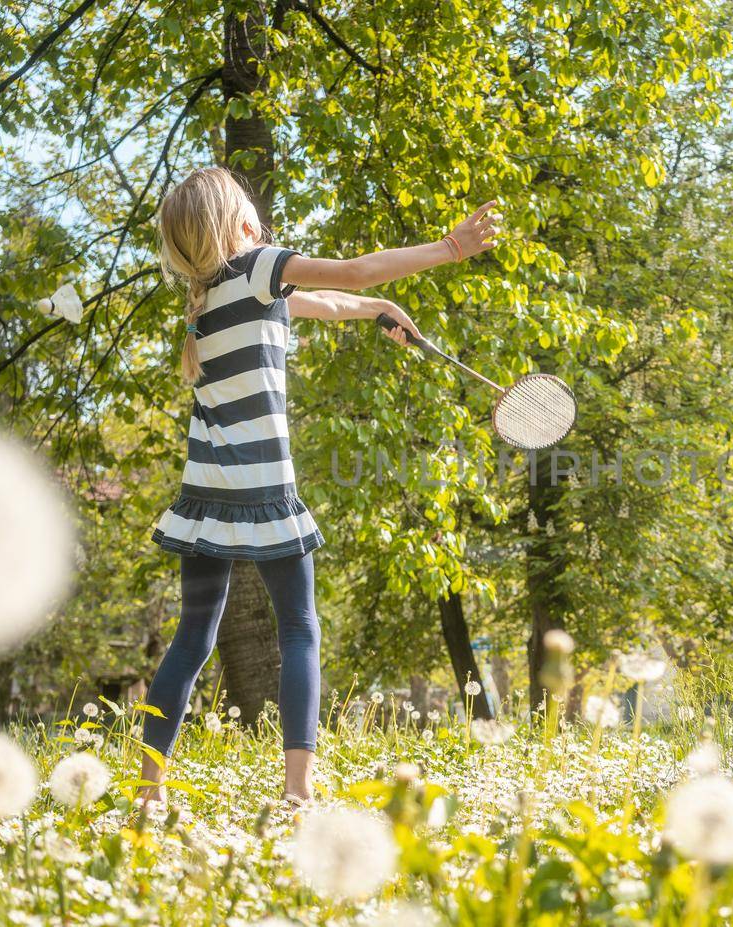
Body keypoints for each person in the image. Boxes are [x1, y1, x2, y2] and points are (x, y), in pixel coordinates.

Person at [140, 167, 500, 806]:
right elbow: (354, 271)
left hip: (206, 493)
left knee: (193, 638)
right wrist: (448, 250)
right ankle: (297, 792)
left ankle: (148, 790)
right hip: (264, 486)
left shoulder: (210, 299)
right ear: (237, 222)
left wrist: (381, 311)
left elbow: (335, 300)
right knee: (299, 628)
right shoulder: (257, 267)